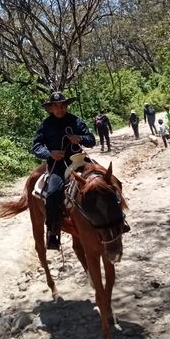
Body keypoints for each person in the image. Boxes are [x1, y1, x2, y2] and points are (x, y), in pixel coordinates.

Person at [32, 91, 96, 250]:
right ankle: (53, 231)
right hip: (59, 165)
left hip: (81, 160)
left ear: (66, 106)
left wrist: (80, 138)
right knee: (53, 193)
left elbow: (91, 140)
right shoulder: (46, 125)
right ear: (51, 108)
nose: (60, 109)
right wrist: (50, 153)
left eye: (62, 105)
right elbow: (36, 146)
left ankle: (118, 218)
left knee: (106, 179)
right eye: (56, 106)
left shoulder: (75, 121)